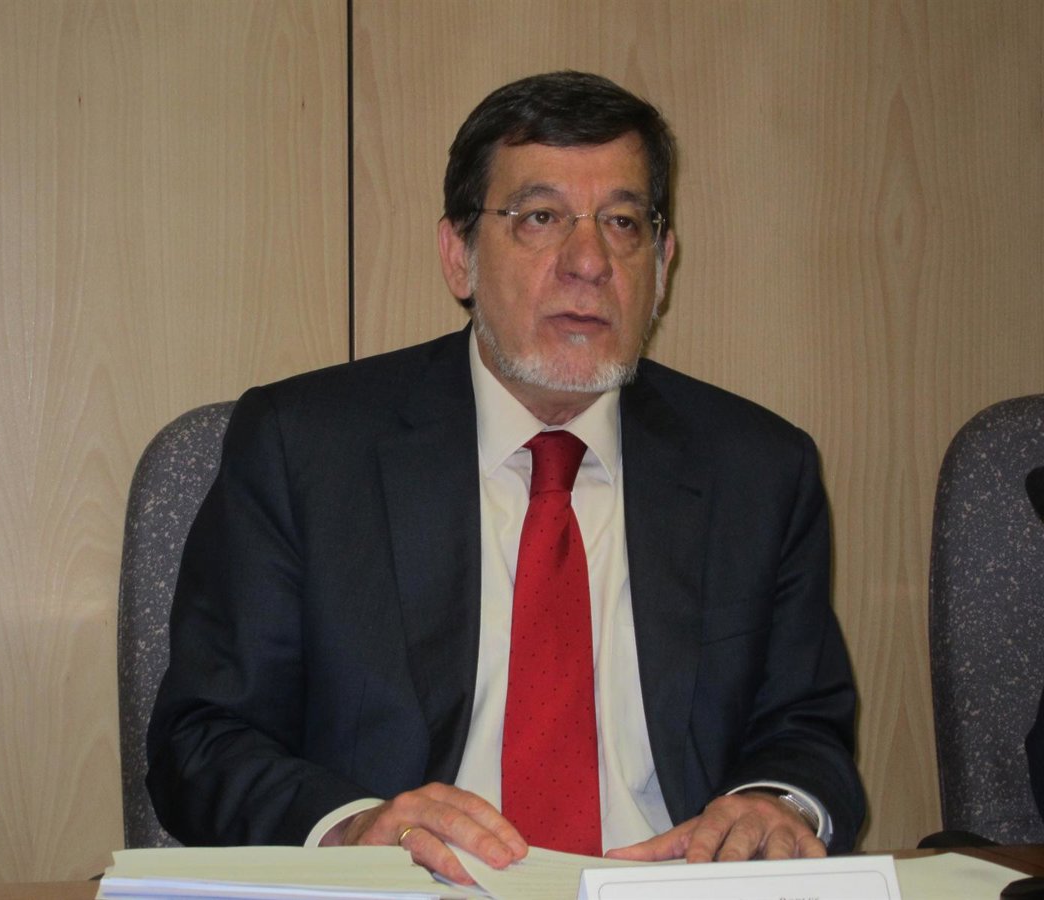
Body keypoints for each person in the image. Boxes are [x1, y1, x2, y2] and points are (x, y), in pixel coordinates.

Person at [146, 71, 865, 884]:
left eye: (623, 222)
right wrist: (352, 828)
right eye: (540, 218)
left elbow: (805, 729)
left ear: (662, 264)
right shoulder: (305, 449)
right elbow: (201, 742)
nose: (589, 262)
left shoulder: (759, 470)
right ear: (458, 255)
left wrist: (775, 803)